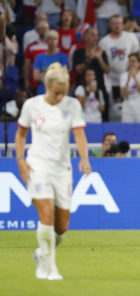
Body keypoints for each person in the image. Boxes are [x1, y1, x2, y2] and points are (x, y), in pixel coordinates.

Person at [15, 63, 91, 280]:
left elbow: (79, 135)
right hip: (37, 165)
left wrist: (84, 158)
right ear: (47, 86)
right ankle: (50, 268)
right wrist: (20, 159)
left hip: (62, 169)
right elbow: (20, 135)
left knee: (61, 227)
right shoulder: (32, 105)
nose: (60, 97)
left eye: (63, 92)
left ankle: (41, 254)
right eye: (56, 92)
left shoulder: (72, 105)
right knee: (46, 213)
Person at [33, 30, 69, 95]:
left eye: (55, 39)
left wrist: (44, 77)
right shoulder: (39, 57)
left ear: (58, 40)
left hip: (58, 93)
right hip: (42, 92)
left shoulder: (63, 57)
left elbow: (65, 75)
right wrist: (56, 76)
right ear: (46, 41)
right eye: (50, 39)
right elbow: (36, 76)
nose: (53, 42)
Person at [120, 53, 140, 122]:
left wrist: (135, 78)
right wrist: (128, 80)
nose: (131, 63)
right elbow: (123, 95)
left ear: (139, 63)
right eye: (130, 61)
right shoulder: (124, 75)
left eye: (133, 61)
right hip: (127, 111)